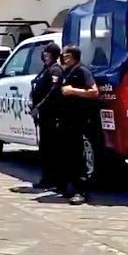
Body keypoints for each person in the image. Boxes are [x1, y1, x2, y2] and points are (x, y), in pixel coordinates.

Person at [54, 45, 100, 205]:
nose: (63, 57)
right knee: (68, 156)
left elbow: (94, 92)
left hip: (79, 120)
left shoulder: (82, 71)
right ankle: (70, 187)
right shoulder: (67, 71)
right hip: (66, 120)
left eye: (65, 55)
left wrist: (73, 91)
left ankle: (81, 191)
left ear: (72, 56)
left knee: (78, 156)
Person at [29, 42, 64, 190]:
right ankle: (47, 177)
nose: (44, 55)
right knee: (45, 149)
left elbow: (53, 92)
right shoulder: (46, 69)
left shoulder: (55, 70)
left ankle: (53, 179)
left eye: (47, 53)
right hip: (43, 115)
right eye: (44, 53)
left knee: (51, 149)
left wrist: (39, 107)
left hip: (51, 114)